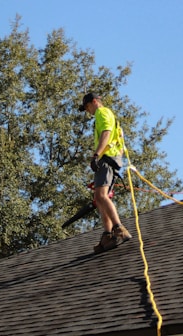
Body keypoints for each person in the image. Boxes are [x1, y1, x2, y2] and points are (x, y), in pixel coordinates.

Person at [79, 93, 132, 253]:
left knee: (101, 195)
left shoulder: (102, 112)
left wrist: (96, 155)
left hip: (107, 158)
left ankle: (119, 229)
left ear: (94, 102)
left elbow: (106, 133)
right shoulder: (108, 115)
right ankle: (108, 235)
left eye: (87, 107)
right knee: (99, 197)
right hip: (112, 158)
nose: (88, 111)